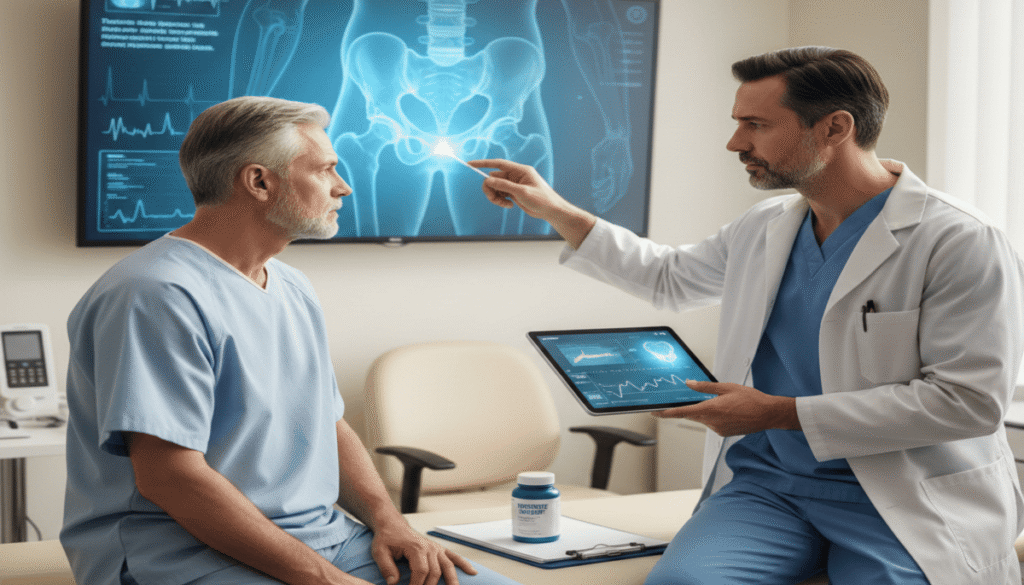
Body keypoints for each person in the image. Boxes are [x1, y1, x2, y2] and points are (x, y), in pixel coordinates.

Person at [469, 47, 1024, 584]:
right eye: (739, 122)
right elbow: (669, 278)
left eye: (756, 124)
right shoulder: (765, 226)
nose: (735, 142)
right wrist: (552, 208)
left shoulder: (958, 240)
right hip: (772, 487)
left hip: (902, 490)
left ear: (835, 128)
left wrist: (777, 413)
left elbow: (968, 402)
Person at [61, 96, 519, 585]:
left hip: (326, 538)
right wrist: (324, 580)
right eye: (325, 171)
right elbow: (170, 478)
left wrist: (390, 522)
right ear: (259, 181)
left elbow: (328, 423)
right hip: (179, 553)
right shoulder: (155, 294)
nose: (342, 187)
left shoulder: (290, 285)